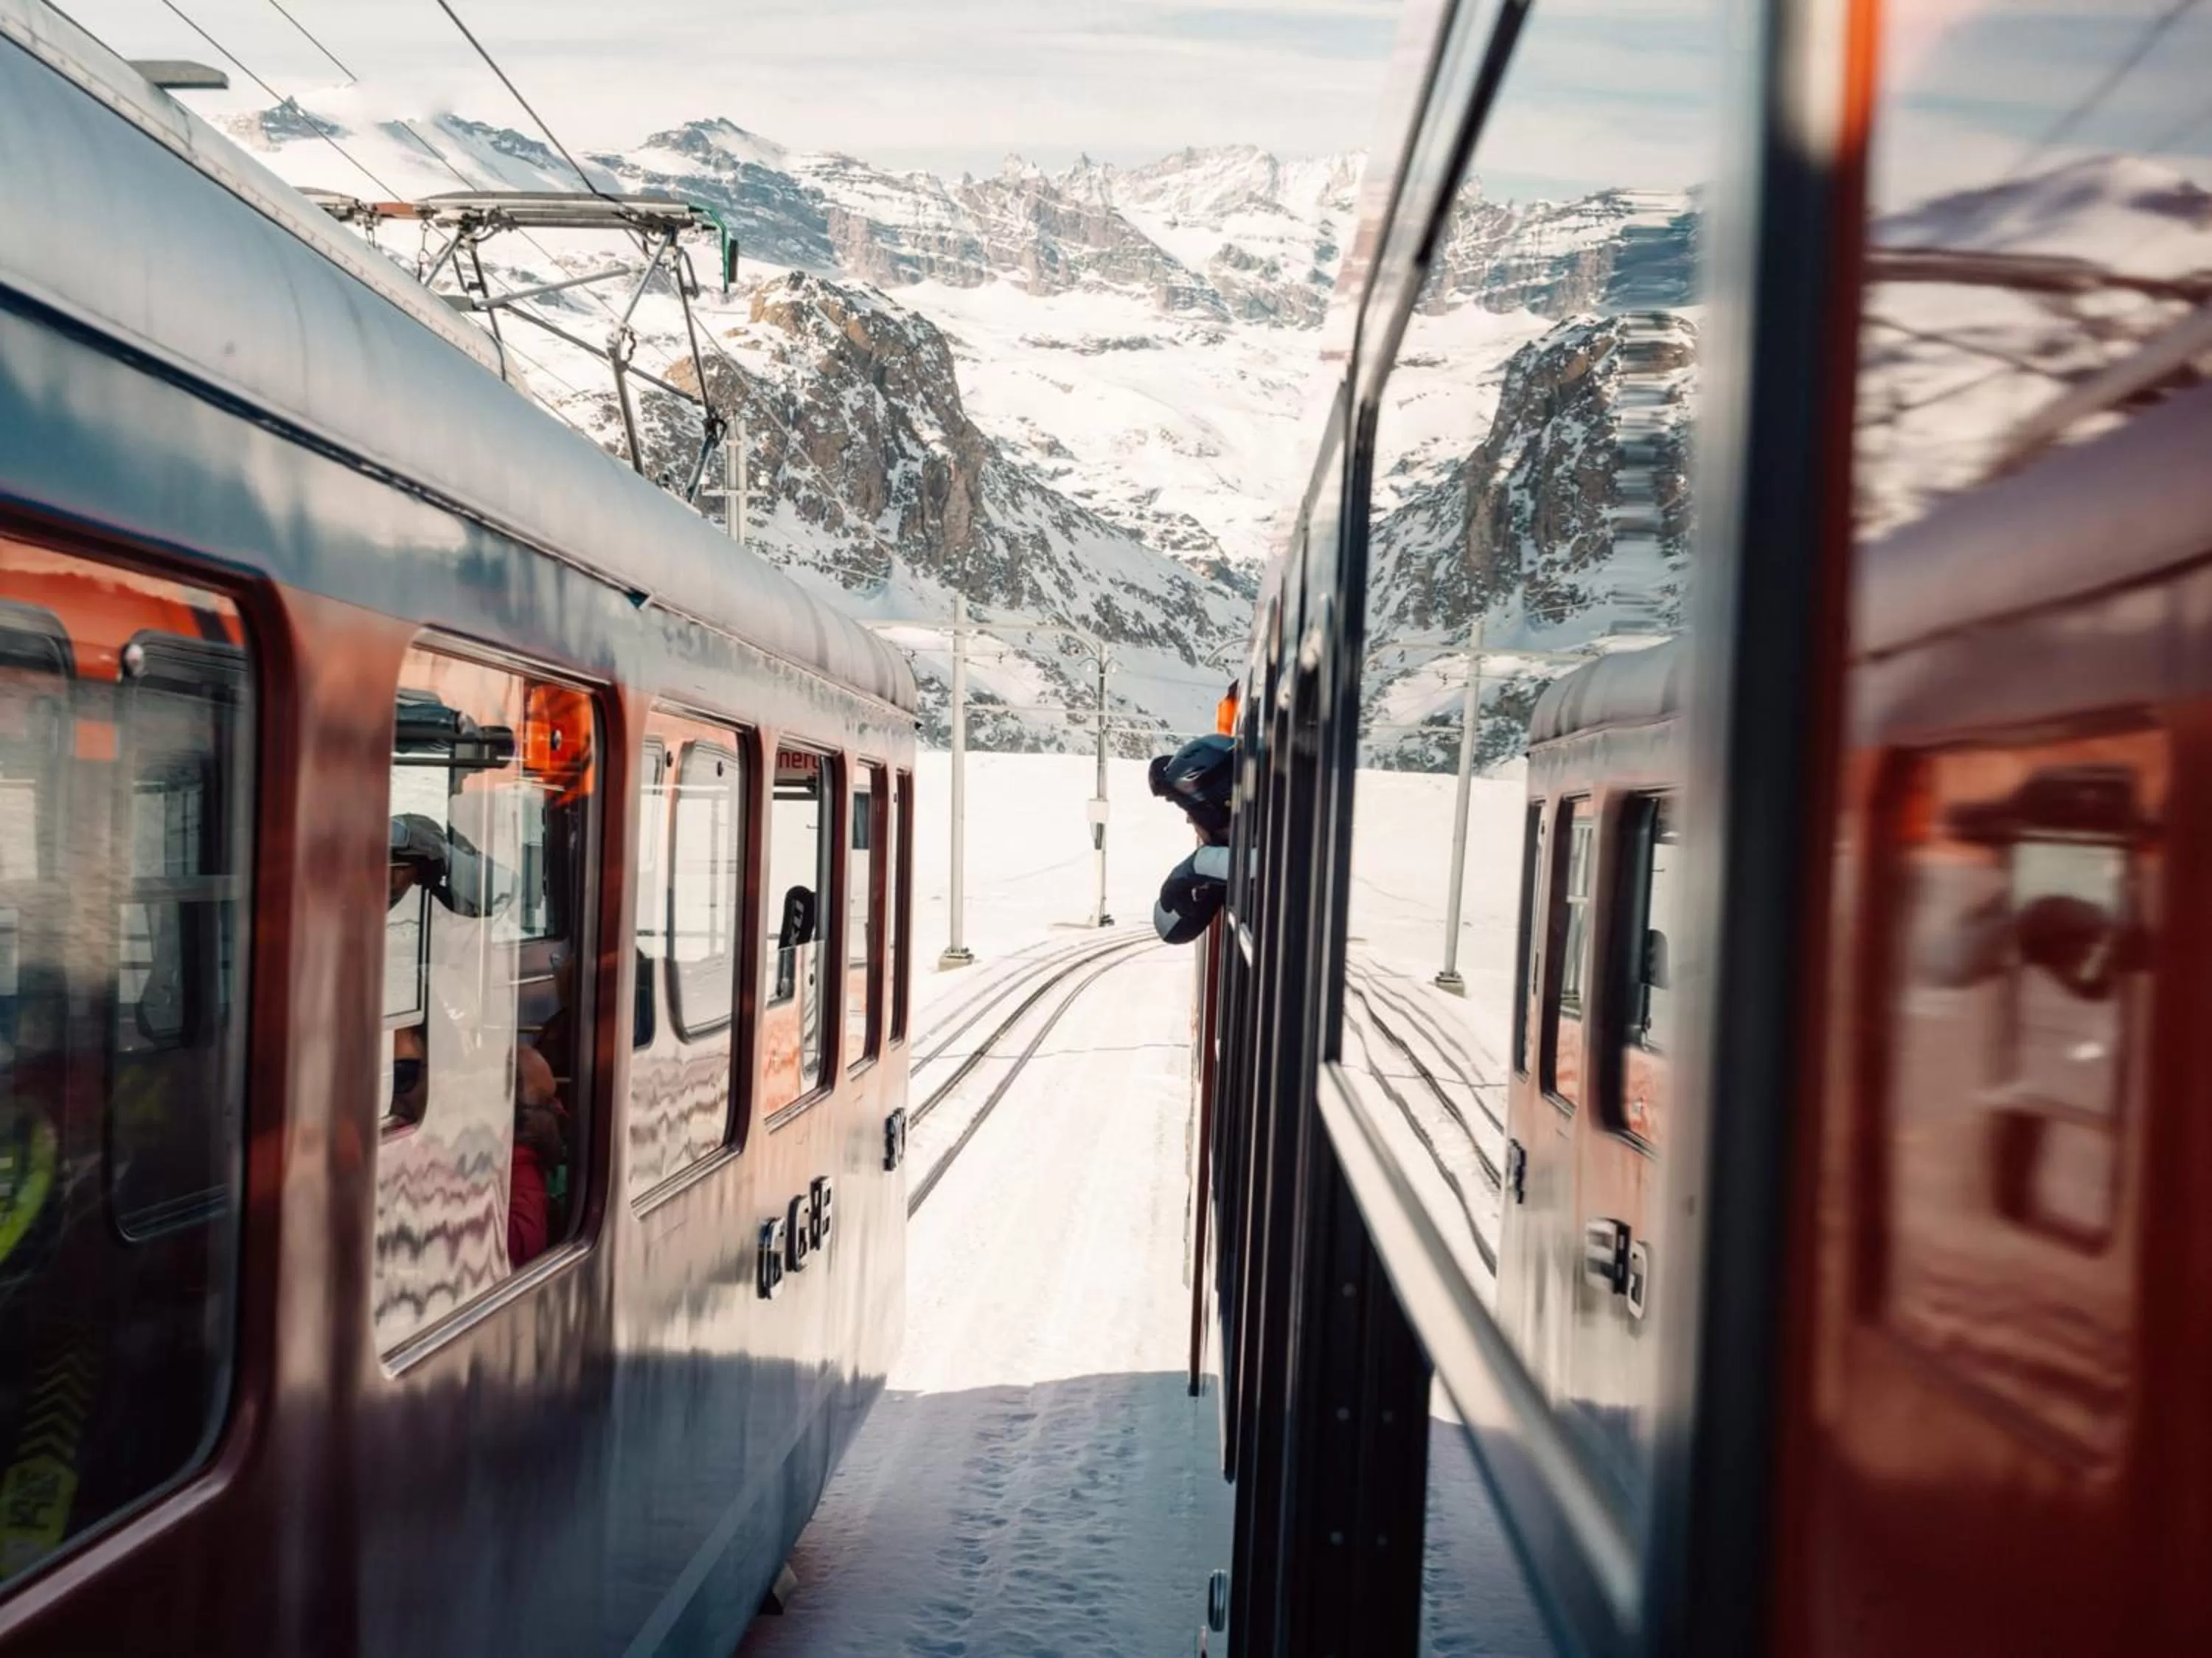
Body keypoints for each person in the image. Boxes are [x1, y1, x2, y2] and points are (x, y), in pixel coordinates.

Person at [509, 1044, 566, 1267]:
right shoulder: (517, 1163)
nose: (560, 1110)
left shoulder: (523, 1168)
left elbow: (526, 1248)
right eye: (545, 1101)